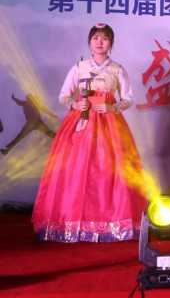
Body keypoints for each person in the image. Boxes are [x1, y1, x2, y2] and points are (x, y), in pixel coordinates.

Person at [32, 23, 146, 242]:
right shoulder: (79, 67)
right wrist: (75, 105)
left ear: (111, 43)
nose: (100, 42)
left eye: (104, 38)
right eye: (95, 38)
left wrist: (112, 107)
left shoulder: (117, 69)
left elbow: (128, 98)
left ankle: (111, 222)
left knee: (109, 170)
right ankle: (72, 221)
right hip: (81, 122)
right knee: (76, 170)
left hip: (109, 124)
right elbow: (64, 95)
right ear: (89, 42)